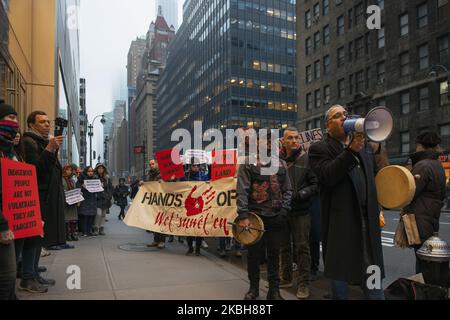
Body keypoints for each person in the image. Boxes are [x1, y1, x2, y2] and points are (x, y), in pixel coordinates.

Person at [308, 105, 384, 300]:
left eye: (345, 114)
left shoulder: (364, 146)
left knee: (371, 269)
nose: (343, 117)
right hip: (342, 222)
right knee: (340, 272)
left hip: (367, 219)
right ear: (327, 125)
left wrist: (379, 209)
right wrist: (350, 151)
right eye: (337, 116)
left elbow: (372, 180)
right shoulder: (319, 149)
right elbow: (327, 176)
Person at [236, 130, 293, 300]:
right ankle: (253, 288)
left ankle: (274, 290)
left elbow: (288, 189)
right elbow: (242, 190)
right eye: (265, 140)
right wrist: (243, 214)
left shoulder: (282, 164)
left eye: (272, 140)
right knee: (254, 254)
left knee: (275, 254)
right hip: (255, 217)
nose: (269, 143)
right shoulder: (248, 163)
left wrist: (285, 209)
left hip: (276, 216)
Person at [21, 111, 65, 290]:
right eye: (42, 122)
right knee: (32, 237)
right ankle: (27, 277)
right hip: (36, 195)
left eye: (48, 122)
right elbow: (36, 171)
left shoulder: (43, 141)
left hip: (46, 195)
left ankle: (34, 272)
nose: (47, 125)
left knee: (39, 236)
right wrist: (49, 149)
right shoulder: (29, 142)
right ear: (31, 125)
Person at [280, 127, 319, 299]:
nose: (294, 141)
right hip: (282, 210)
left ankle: (303, 284)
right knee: (284, 247)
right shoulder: (278, 161)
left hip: (301, 211)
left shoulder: (307, 159)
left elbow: (315, 184)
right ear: (284, 141)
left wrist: (301, 194)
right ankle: (286, 278)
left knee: (302, 247)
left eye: (296, 138)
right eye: (290, 138)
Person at [403, 132, 446, 274]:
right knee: (428, 259)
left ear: (421, 146)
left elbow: (410, 192)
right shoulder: (438, 165)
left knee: (421, 259)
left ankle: (423, 291)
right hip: (432, 217)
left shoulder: (422, 165)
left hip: (420, 219)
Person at [0, 101, 20, 299]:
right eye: (10, 118)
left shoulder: (10, 152)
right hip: (2, 225)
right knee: (7, 276)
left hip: (10, 221)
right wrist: (2, 225)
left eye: (16, 118)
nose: (15, 123)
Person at [180, 158, 209, 256]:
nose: (195, 167)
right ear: (190, 166)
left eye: (197, 165)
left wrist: (210, 183)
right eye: (193, 165)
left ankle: (197, 249)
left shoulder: (204, 176)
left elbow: (211, 185)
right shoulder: (185, 176)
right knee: (189, 228)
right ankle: (190, 248)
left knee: (199, 228)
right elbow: (176, 186)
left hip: (200, 205)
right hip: (189, 206)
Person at [143, 159, 167, 249]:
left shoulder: (162, 173)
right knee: (154, 221)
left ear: (157, 164)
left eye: (153, 164)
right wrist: (143, 183)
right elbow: (149, 184)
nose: (151, 165)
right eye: (150, 164)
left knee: (161, 221)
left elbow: (170, 183)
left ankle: (162, 241)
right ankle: (156, 240)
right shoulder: (150, 174)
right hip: (153, 201)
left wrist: (163, 182)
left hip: (162, 200)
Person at [77, 167, 98, 237]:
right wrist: (83, 187)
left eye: (92, 171)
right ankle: (84, 231)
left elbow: (98, 189)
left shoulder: (95, 179)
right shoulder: (81, 179)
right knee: (85, 216)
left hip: (92, 200)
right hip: (84, 200)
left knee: (91, 217)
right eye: (89, 171)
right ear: (86, 172)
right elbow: (78, 189)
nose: (90, 173)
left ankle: (89, 231)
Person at [94, 163, 113, 236]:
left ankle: (101, 228)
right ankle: (96, 228)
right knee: (98, 214)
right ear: (97, 169)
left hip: (105, 199)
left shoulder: (107, 178)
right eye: (99, 168)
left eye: (102, 168)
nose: (100, 170)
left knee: (103, 215)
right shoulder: (94, 177)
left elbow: (111, 188)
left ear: (104, 169)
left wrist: (109, 196)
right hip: (98, 198)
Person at [62, 165, 79, 242]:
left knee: (73, 219)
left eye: (70, 170)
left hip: (73, 202)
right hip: (65, 202)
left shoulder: (72, 180)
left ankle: (73, 234)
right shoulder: (61, 179)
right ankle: (67, 235)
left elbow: (75, 189)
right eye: (67, 170)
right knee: (66, 220)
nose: (69, 171)